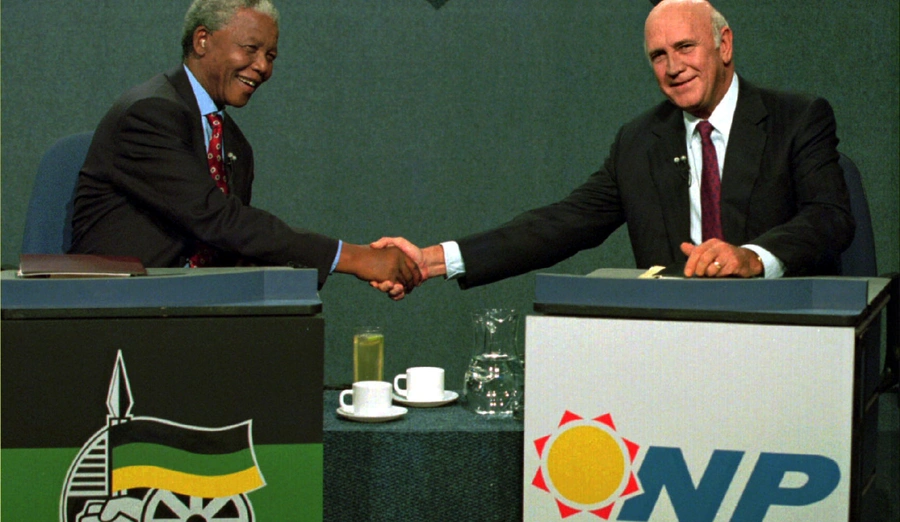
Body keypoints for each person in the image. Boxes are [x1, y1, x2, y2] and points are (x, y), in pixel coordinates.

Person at [372, 0, 854, 299]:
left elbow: (829, 217)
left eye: (685, 47)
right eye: (658, 56)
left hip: (781, 336)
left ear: (723, 44)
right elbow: (557, 226)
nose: (672, 67)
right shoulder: (640, 141)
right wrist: (433, 260)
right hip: (670, 345)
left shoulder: (798, 117)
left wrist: (752, 257)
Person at [69, 0, 419, 292]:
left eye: (271, 56)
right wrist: (355, 258)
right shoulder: (149, 114)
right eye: (250, 49)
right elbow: (217, 220)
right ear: (203, 40)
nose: (263, 67)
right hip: (119, 312)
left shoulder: (235, 144)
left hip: (201, 314)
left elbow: (232, 246)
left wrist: (368, 265)